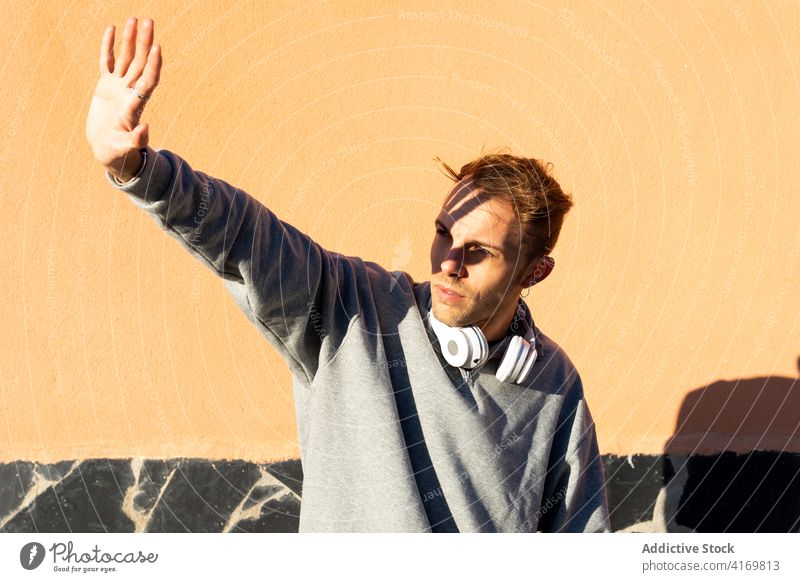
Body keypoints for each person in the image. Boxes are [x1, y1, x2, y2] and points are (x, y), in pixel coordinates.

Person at [85, 17, 611, 533]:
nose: (448, 261)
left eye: (478, 250)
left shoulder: (554, 383)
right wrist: (139, 171)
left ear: (535, 271)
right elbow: (247, 236)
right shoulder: (353, 309)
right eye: (443, 233)